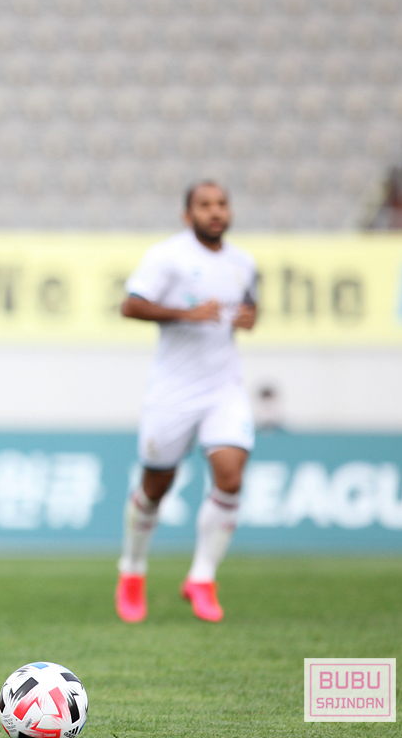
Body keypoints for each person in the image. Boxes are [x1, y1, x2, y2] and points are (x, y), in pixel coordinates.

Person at [115, 180, 258, 624]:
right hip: (173, 390)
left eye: (221, 204)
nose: (215, 212)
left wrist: (250, 318)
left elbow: (248, 309)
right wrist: (185, 314)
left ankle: (202, 578)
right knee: (156, 486)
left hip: (224, 387)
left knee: (230, 476)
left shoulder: (243, 262)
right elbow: (131, 306)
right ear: (187, 214)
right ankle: (132, 570)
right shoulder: (168, 256)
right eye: (205, 205)